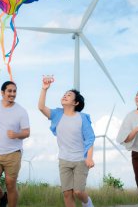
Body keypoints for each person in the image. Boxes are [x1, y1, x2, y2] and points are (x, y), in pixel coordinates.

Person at [38, 76, 95, 207]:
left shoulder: (82, 118)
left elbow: (90, 139)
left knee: (78, 192)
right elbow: (41, 107)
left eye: (69, 95)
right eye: (64, 94)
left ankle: (88, 204)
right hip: (64, 160)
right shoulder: (57, 114)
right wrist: (44, 89)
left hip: (81, 160)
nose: (65, 96)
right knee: (67, 194)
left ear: (75, 103)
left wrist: (89, 158)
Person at [0, 81, 30, 207]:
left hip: (13, 154)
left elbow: (27, 132)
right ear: (2, 93)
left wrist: (16, 135)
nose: (12, 94)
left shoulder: (21, 111)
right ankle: (3, 197)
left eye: (14, 91)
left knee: (10, 184)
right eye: (9, 91)